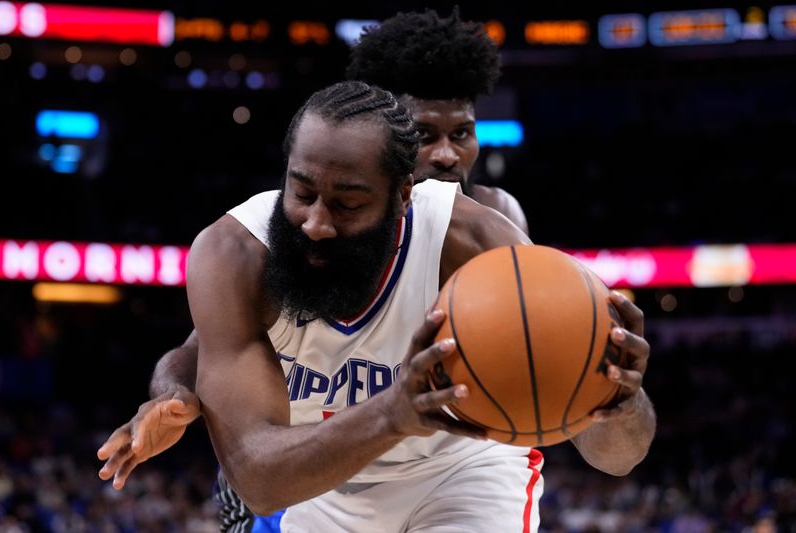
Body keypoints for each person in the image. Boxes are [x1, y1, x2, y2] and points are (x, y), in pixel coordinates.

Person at [99, 80, 656, 532]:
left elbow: (615, 456)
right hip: (323, 474)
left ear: (403, 193)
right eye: (302, 193)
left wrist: (620, 401)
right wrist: (394, 411)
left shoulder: (476, 245)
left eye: (347, 203)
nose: (316, 222)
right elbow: (258, 475)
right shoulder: (235, 254)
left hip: (458, 467)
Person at [346, 8, 529, 234]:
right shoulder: (347, 222)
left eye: (460, 134)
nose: (446, 157)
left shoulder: (500, 215)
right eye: (423, 135)